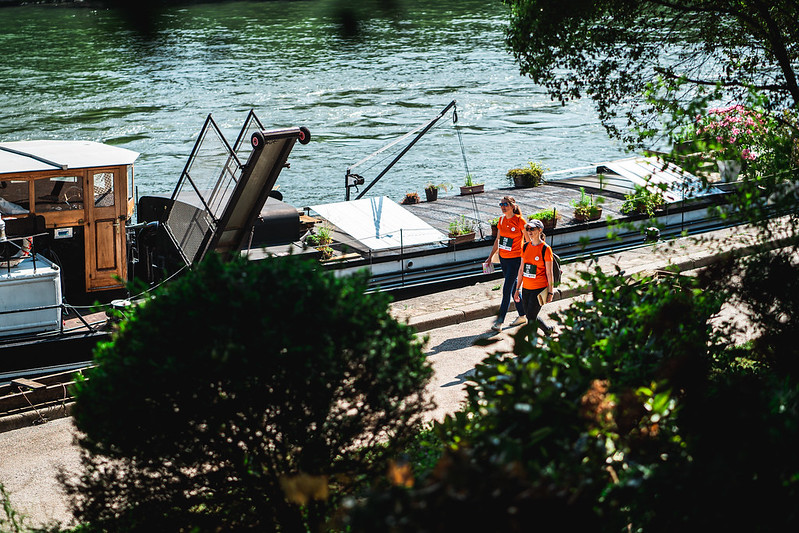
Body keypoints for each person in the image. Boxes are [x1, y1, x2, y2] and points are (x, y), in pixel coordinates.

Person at [484, 195, 526, 332]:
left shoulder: (519, 221)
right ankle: (522, 315)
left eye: (506, 204)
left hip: (516, 259)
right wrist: (490, 257)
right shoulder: (501, 220)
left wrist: (527, 258)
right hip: (503, 258)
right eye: (501, 204)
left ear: (513, 206)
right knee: (513, 289)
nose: (503, 207)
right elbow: (498, 240)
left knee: (506, 289)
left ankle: (499, 322)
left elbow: (527, 241)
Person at [513, 218, 554, 336]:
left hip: (539, 289)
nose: (529, 231)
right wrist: (517, 289)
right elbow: (521, 270)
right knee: (530, 316)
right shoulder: (525, 247)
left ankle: (531, 349)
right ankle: (547, 330)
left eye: (532, 229)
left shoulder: (546, 249)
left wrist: (550, 292)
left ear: (540, 230)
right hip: (526, 288)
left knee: (530, 319)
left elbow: (549, 272)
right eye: (528, 229)